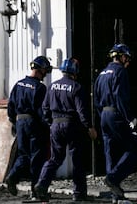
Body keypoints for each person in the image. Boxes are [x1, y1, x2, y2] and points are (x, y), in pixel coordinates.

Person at [34, 58, 97, 202]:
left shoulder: (51, 86)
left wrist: (51, 122)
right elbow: (82, 111)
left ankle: (42, 184)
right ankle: (79, 193)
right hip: (72, 125)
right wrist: (89, 127)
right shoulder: (77, 87)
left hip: (56, 125)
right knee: (77, 160)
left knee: (55, 158)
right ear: (75, 72)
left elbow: (44, 108)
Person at [93, 43, 137, 203]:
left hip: (104, 116)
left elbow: (96, 99)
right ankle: (113, 179)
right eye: (127, 58)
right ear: (121, 56)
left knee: (110, 152)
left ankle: (116, 195)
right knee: (135, 148)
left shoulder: (101, 74)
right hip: (115, 113)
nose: (128, 62)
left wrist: (103, 116)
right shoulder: (120, 71)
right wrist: (130, 118)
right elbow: (120, 96)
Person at [5, 56, 53, 199]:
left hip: (20, 122)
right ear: (40, 69)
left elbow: (11, 106)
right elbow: (42, 111)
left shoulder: (18, 84)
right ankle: (36, 191)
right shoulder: (40, 87)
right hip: (34, 124)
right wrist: (48, 126)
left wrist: (14, 122)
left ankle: (12, 176)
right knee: (38, 157)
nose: (45, 74)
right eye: (45, 70)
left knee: (23, 154)